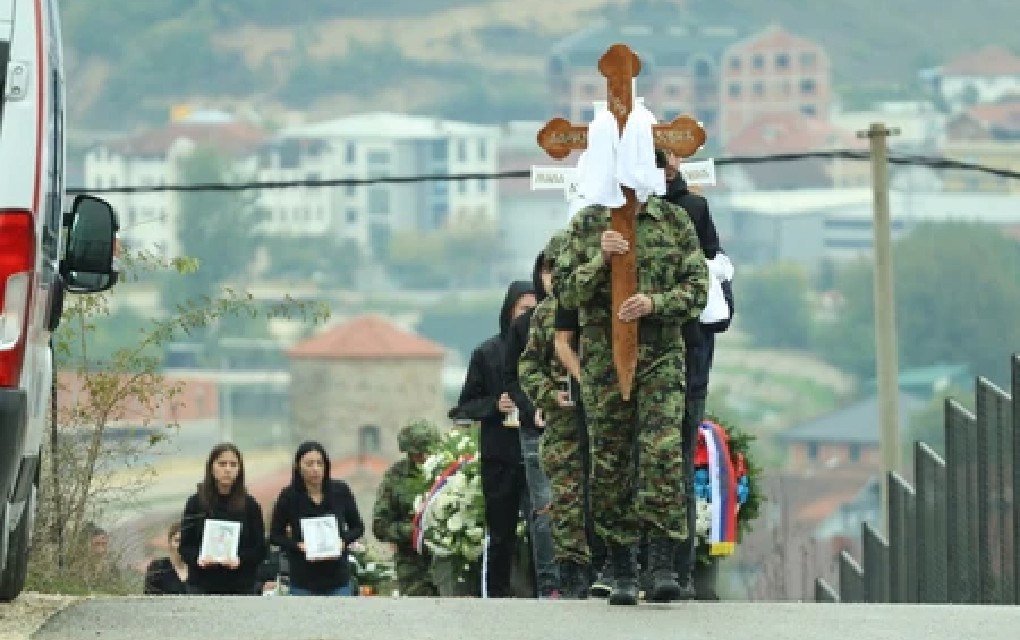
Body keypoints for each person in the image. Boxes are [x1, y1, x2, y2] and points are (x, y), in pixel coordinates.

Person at [554, 176, 708, 605]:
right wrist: (601, 260)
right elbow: (565, 292)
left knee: (660, 454)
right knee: (609, 461)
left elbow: (698, 289)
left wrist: (655, 302)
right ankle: (621, 566)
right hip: (604, 362)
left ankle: (661, 562)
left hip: (660, 358)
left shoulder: (674, 221)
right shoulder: (586, 225)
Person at [658, 149, 732, 600]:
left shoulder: (694, 210)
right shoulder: (619, 213)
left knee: (679, 463)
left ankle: (677, 568)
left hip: (689, 362)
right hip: (636, 363)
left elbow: (719, 308)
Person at [449, 280, 536, 598]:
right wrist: (494, 406)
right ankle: (497, 597)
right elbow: (464, 406)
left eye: (536, 309)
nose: (529, 315)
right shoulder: (487, 353)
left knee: (542, 528)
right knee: (501, 533)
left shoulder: (548, 350)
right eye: (524, 309)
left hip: (537, 454)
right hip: (499, 454)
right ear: (510, 310)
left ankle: (548, 595)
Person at [517, 231, 592, 598]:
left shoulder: (601, 307)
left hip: (604, 421)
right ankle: (572, 573)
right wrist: (549, 395)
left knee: (607, 493)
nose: (556, 275)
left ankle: (610, 566)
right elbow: (529, 365)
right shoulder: (545, 315)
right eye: (550, 268)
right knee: (565, 500)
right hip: (564, 424)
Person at [503, 247, 564, 598]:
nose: (552, 278)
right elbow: (513, 375)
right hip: (536, 428)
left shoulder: (585, 318)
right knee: (543, 507)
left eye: (559, 271)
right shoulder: (525, 325)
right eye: (546, 271)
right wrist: (532, 407)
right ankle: (550, 583)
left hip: (577, 426)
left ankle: (581, 575)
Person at [269, 441, 365, 596]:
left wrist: (343, 541)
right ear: (298, 467)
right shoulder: (289, 497)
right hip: (303, 580)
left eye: (319, 463)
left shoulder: (340, 491)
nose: (315, 469)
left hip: (337, 578)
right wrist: (298, 545)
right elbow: (275, 536)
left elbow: (357, 527)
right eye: (309, 464)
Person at [179, 443, 267, 595]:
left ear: (239, 469)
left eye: (233, 465)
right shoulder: (195, 503)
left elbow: (260, 549)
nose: (227, 469)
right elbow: (185, 546)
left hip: (241, 587)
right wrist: (199, 558)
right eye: (222, 464)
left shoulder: (250, 506)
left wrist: (240, 560)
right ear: (211, 467)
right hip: (202, 586)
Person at [372, 419, 442, 597]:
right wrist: (412, 531)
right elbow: (380, 526)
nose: (423, 458)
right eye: (417, 454)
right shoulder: (396, 477)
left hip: (447, 562)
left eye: (428, 452)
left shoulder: (449, 471)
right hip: (412, 568)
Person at [143, 522, 188, 595]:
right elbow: (150, 599)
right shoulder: (158, 568)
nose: (181, 546)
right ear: (170, 543)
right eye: (177, 541)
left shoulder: (198, 569)